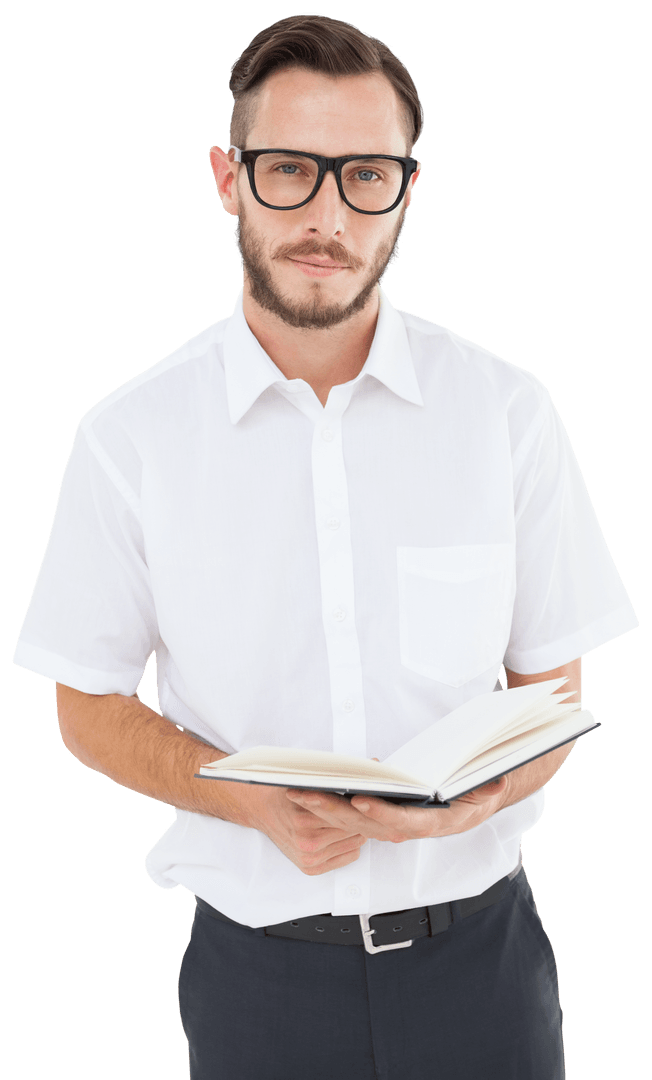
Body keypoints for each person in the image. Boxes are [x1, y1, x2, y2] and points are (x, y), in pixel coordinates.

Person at [14, 13, 638, 1080]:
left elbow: (552, 682)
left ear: (407, 189)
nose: (326, 215)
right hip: (257, 985)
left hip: (482, 966)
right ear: (228, 177)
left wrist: (501, 784)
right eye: (290, 170)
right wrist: (236, 795)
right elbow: (85, 706)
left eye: (366, 176)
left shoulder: (505, 411)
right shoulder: (130, 436)